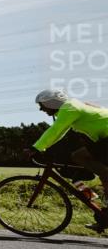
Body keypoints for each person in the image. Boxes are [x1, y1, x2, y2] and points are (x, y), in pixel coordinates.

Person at [26, 89, 108, 232]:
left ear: (52, 102)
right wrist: (42, 148)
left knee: (86, 161)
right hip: (103, 139)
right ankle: (103, 215)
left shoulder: (70, 108)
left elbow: (56, 130)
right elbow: (61, 132)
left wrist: (36, 148)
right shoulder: (70, 107)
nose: (41, 109)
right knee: (78, 156)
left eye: (42, 105)